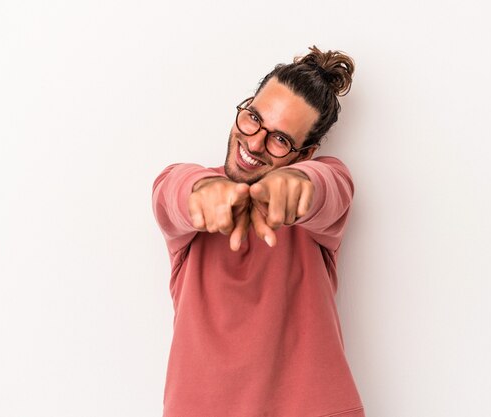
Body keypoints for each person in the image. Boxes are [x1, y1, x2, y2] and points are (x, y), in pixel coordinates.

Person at [152, 45, 364, 417]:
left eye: (281, 140)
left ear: (304, 153)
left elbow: (332, 186)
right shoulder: (195, 195)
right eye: (253, 118)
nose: (253, 143)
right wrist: (200, 191)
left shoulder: (314, 203)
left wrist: (300, 185)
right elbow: (170, 189)